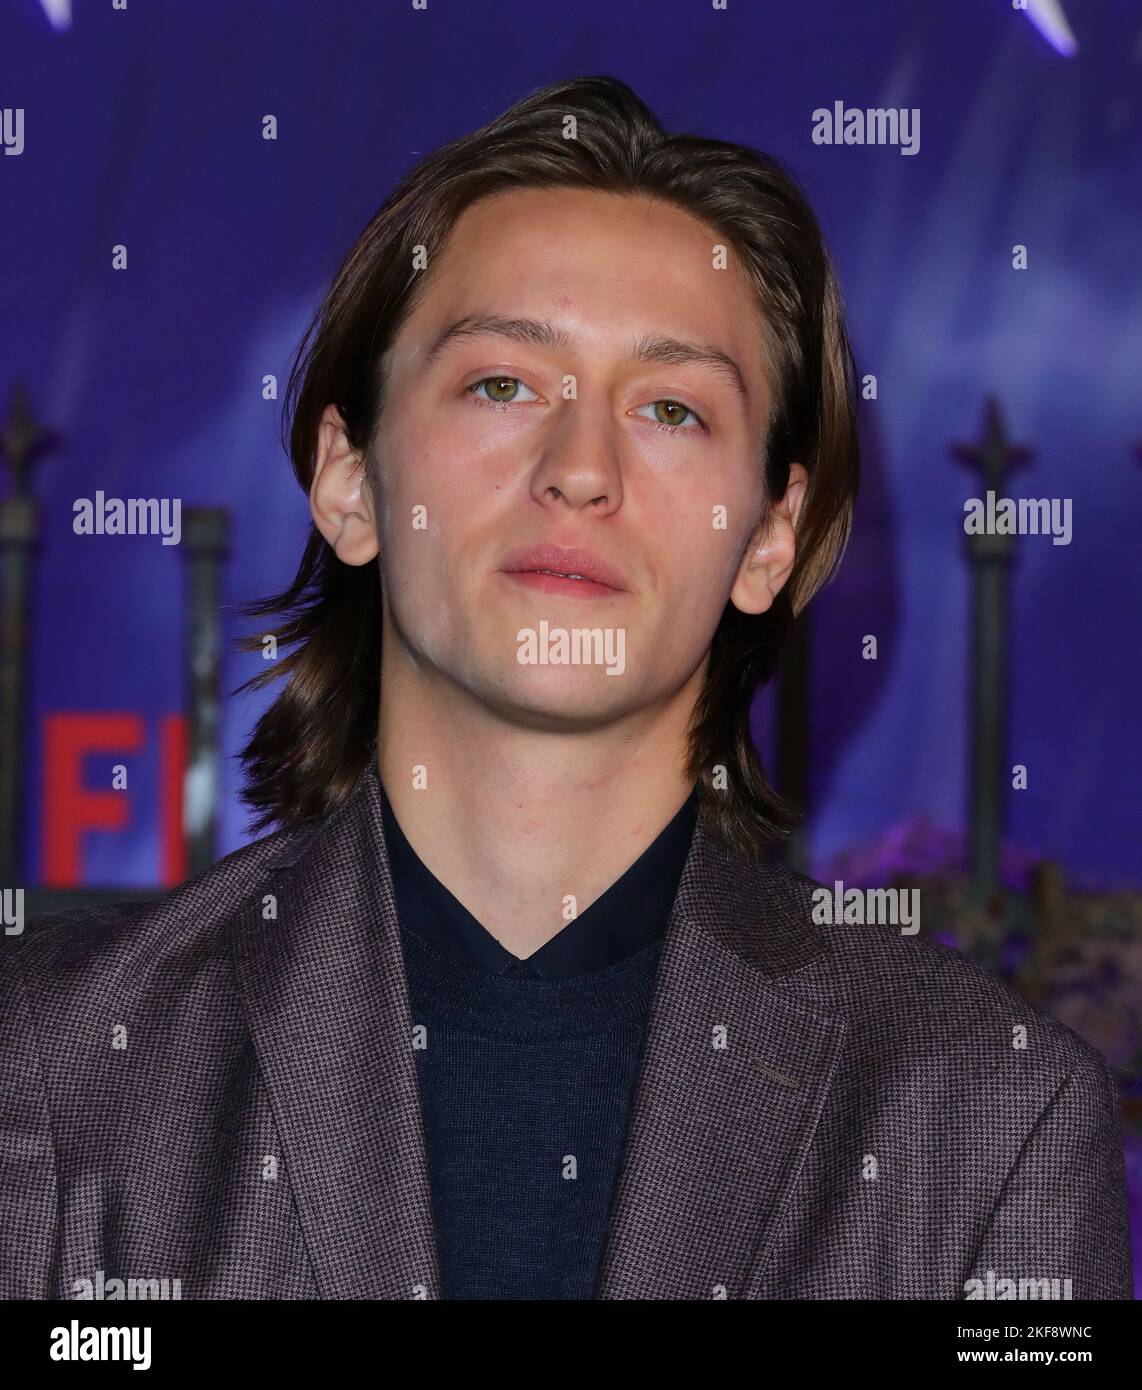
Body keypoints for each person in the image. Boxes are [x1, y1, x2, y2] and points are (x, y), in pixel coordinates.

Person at [1, 76, 1131, 1301]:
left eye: (670, 408)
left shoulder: (985, 1118)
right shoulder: (53, 1065)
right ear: (349, 477)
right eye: (502, 384)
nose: (579, 468)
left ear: (768, 539)